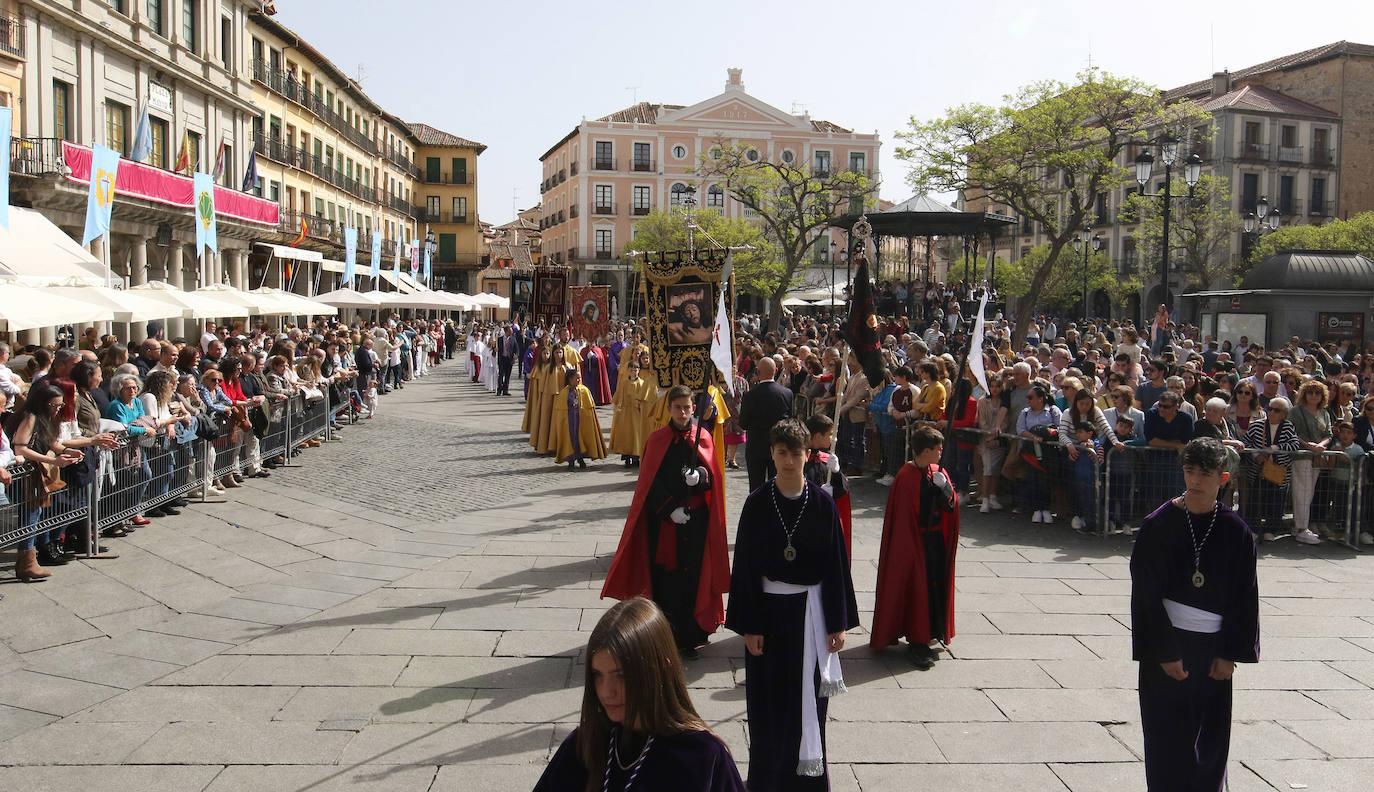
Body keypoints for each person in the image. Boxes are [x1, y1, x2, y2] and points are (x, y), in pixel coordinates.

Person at [726, 419, 858, 791]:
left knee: (809, 704)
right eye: (781, 453)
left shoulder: (821, 503)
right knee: (768, 706)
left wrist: (838, 622)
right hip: (768, 616)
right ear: (772, 453)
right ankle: (768, 782)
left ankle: (809, 783)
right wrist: (750, 626)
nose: (788, 461)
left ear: (806, 455)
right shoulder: (756, 504)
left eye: (795, 454)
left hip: (811, 618)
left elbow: (835, 565)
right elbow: (747, 568)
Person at [1130, 437, 1259, 792]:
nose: (1195, 481)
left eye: (1205, 473)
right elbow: (1145, 596)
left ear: (1223, 477)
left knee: (1210, 741)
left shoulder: (1237, 531)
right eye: (1189, 471)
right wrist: (1163, 651)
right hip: (1169, 643)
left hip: (1214, 646)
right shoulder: (1158, 525)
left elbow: (1245, 597)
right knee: (1166, 738)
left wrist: (1230, 652)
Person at [534, 597, 745, 792]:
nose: (607, 691)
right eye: (597, 675)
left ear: (659, 670)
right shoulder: (586, 743)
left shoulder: (701, 755)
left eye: (621, 675)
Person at [602, 386, 730, 658]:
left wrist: (702, 476)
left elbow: (712, 479)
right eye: (678, 407)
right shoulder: (657, 440)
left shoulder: (703, 437)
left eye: (687, 407)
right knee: (667, 580)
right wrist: (669, 509)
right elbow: (649, 483)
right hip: (667, 524)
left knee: (693, 577)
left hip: (695, 523)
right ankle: (666, 634)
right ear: (669, 409)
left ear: (694, 408)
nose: (683, 412)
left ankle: (690, 635)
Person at [870, 425, 959, 669]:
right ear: (925, 451)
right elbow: (904, 517)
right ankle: (917, 638)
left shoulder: (938, 472)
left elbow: (950, 506)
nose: (941, 451)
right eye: (937, 448)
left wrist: (945, 489)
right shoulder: (906, 476)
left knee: (933, 590)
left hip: (934, 543)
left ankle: (931, 631)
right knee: (916, 590)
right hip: (914, 542)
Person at [738, 357, 794, 492]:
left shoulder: (750, 395)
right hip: (778, 446)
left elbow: (743, 423)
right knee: (778, 487)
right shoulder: (787, 393)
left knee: (756, 488)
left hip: (756, 447)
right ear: (775, 370)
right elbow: (790, 421)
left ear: (758, 372)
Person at [803, 413, 852, 564]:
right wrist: (818, 494)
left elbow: (842, 491)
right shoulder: (802, 462)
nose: (833, 438)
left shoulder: (827, 461)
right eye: (830, 434)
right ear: (817, 436)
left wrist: (837, 473)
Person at [552, 368, 607, 470]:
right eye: (576, 378)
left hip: (581, 420)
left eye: (579, 378)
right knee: (571, 440)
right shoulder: (564, 393)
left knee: (581, 439)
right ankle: (571, 461)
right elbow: (561, 410)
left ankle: (581, 459)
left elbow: (590, 409)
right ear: (569, 379)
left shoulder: (584, 390)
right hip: (570, 421)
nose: (578, 380)